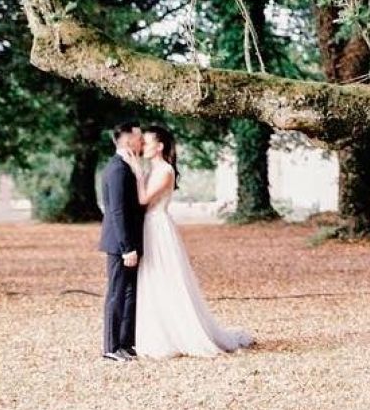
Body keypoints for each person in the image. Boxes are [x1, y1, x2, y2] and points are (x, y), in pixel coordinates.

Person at [121, 124, 255, 359]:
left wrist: (136, 170)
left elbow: (143, 199)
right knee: (152, 279)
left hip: (158, 228)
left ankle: (176, 334)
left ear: (160, 146)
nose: (143, 146)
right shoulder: (154, 169)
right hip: (150, 227)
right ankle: (156, 332)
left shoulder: (164, 171)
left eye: (147, 142)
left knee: (164, 277)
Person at [98, 121, 145, 361]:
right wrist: (127, 248)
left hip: (130, 242)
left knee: (129, 293)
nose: (142, 141)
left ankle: (126, 343)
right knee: (116, 293)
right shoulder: (117, 169)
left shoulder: (127, 166)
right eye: (138, 137)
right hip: (119, 244)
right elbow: (116, 211)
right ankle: (110, 346)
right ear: (127, 140)